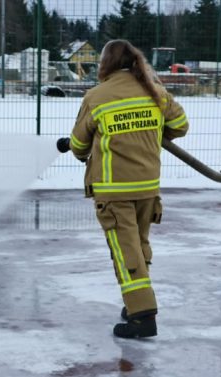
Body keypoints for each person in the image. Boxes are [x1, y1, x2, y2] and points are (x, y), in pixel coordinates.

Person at [57, 39, 189, 339]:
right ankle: (135, 304)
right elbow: (180, 125)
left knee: (124, 250)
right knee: (139, 246)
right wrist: (150, 129)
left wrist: (81, 147)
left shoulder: (97, 96)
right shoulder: (154, 90)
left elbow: (78, 146)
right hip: (148, 186)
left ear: (106, 64)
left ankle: (142, 316)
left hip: (114, 189)